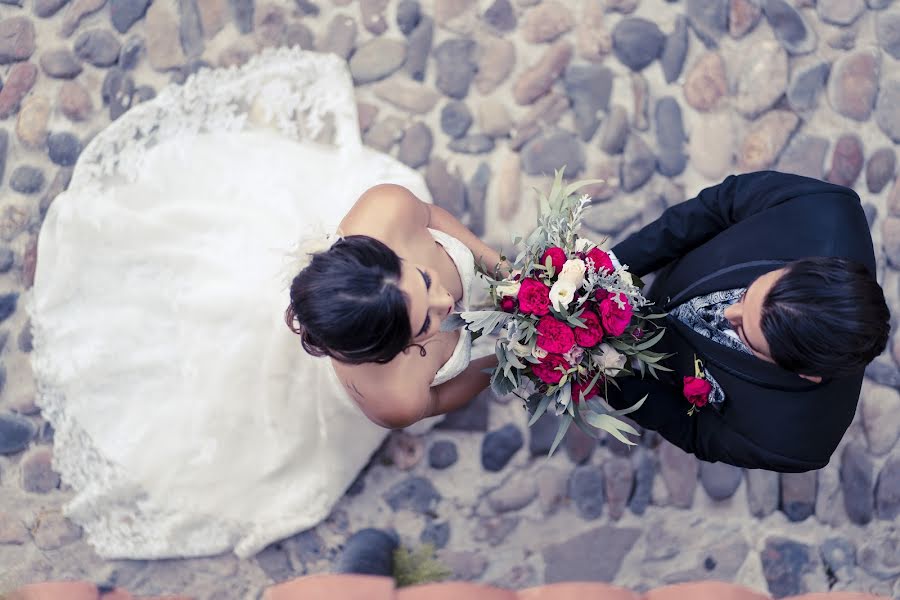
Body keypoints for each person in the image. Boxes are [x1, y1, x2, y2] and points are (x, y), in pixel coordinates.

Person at [29, 48, 497, 560]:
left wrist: (501, 270)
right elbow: (460, 388)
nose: (445, 297)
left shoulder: (386, 208)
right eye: (424, 323)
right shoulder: (395, 400)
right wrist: (511, 356)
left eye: (424, 279)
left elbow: (432, 215)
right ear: (386, 352)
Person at [606, 171, 890, 473]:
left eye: (742, 331)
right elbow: (716, 207)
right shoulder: (822, 207)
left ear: (806, 374)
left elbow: (696, 431)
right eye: (748, 294)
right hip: (668, 277)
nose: (729, 313)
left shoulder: (791, 445)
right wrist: (606, 269)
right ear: (797, 266)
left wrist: (604, 376)